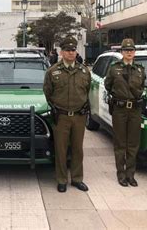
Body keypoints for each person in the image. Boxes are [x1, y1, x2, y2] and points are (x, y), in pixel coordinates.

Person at [43, 37, 91, 193]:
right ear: (62, 52)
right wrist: (55, 107)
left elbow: (87, 91)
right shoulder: (52, 71)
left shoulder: (84, 71)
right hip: (61, 116)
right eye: (68, 50)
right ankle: (62, 179)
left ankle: (77, 179)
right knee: (61, 149)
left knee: (77, 149)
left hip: (79, 116)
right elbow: (47, 92)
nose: (71, 53)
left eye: (73, 50)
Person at [104, 38, 146, 187]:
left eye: (131, 50)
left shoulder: (140, 69)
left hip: (135, 109)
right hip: (120, 109)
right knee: (120, 143)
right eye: (126, 50)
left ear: (134, 52)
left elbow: (143, 87)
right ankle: (121, 174)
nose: (129, 52)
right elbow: (108, 85)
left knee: (133, 144)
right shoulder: (114, 68)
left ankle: (131, 174)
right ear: (122, 52)